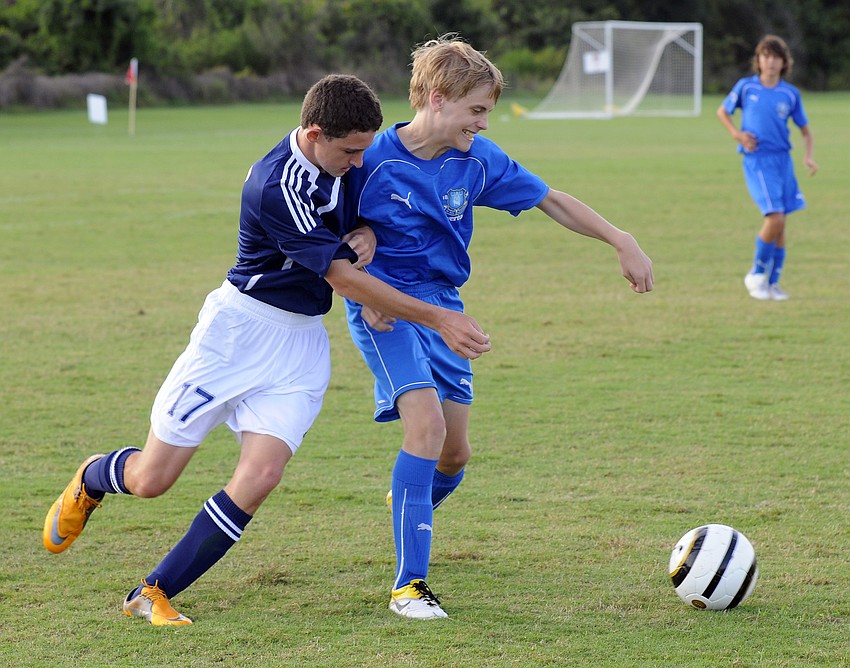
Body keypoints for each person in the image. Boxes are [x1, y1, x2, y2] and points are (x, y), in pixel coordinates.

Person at [42, 73, 492, 627]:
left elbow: (363, 222)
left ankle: (152, 591)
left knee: (262, 475)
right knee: (151, 481)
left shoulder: (346, 161)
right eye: (350, 151)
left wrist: (369, 233)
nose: (359, 163)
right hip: (236, 336)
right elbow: (342, 278)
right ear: (315, 132)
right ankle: (94, 475)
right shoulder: (275, 184)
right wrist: (437, 317)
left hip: (300, 345)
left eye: (364, 150)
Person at [342, 35, 654, 620]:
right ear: (438, 99)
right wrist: (361, 262)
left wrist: (620, 237)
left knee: (454, 455)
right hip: (384, 309)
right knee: (427, 429)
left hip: (446, 306)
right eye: (476, 110)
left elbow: (550, 200)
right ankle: (408, 586)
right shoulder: (372, 158)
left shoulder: (476, 160)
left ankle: (409, 504)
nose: (484, 122)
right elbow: (326, 229)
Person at [716, 34, 818, 301]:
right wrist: (737, 135)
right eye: (765, 56)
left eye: (775, 57)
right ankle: (756, 273)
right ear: (758, 60)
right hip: (758, 159)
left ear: (784, 62)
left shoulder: (789, 94)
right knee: (775, 218)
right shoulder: (746, 88)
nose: (770, 62)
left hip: (783, 161)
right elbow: (722, 112)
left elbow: (806, 131)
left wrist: (808, 157)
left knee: (782, 225)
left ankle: (772, 284)